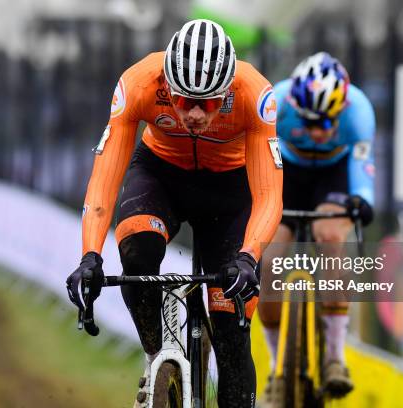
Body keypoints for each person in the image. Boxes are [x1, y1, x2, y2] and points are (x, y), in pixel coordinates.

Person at [66, 19, 283, 408]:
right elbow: (104, 177)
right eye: (184, 100)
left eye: (208, 103)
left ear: (228, 90)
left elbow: (268, 194)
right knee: (135, 247)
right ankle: (156, 361)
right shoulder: (139, 83)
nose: (196, 114)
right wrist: (89, 256)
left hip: (229, 193)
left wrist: (249, 256)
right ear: (167, 86)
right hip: (160, 175)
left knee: (231, 328)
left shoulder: (255, 93)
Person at [257, 52, 375, 400]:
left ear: (341, 110)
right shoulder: (275, 102)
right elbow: (257, 154)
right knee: (268, 262)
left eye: (325, 124)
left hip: (333, 175)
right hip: (286, 172)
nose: (316, 131)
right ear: (294, 105)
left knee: (330, 236)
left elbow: (362, 167)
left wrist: (362, 200)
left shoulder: (359, 114)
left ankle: (335, 357)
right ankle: (279, 368)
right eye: (308, 122)